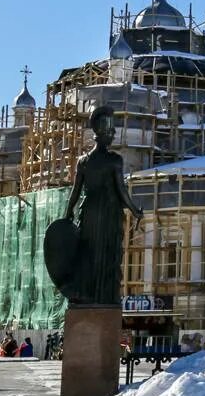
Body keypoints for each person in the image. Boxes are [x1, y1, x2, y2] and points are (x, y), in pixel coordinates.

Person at [61, 105, 144, 306]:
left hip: (88, 213)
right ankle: (105, 298)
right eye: (111, 130)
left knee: (88, 255)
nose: (114, 133)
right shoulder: (114, 160)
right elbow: (121, 190)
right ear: (103, 133)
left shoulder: (83, 161)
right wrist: (135, 210)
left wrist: (67, 213)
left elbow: (75, 191)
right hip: (108, 214)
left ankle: (88, 296)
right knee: (108, 256)